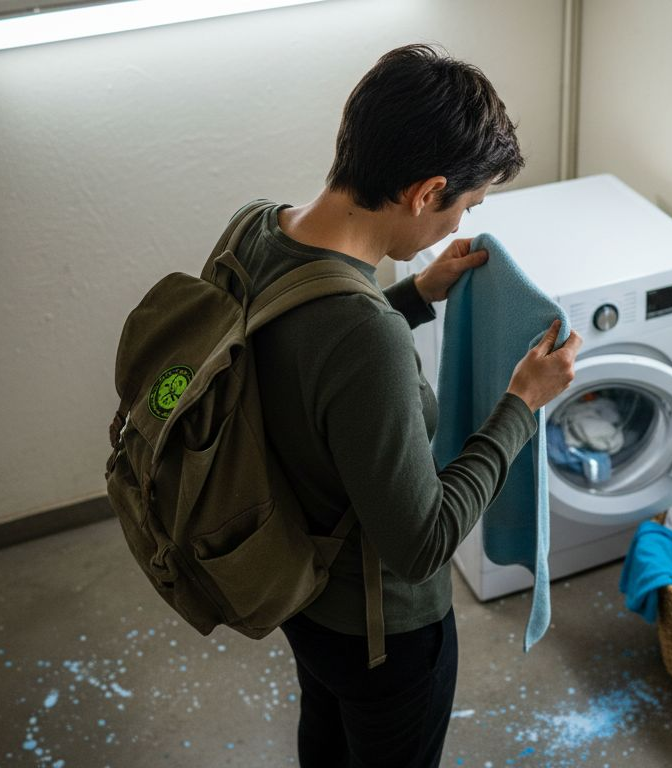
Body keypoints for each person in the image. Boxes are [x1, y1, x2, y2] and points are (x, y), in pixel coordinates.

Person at [233, 44, 583, 767]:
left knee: (324, 737)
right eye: (466, 206)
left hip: (293, 584)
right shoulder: (365, 337)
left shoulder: (256, 230)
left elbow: (302, 359)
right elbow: (422, 544)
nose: (458, 227)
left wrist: (414, 296)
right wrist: (521, 402)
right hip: (379, 631)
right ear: (426, 192)